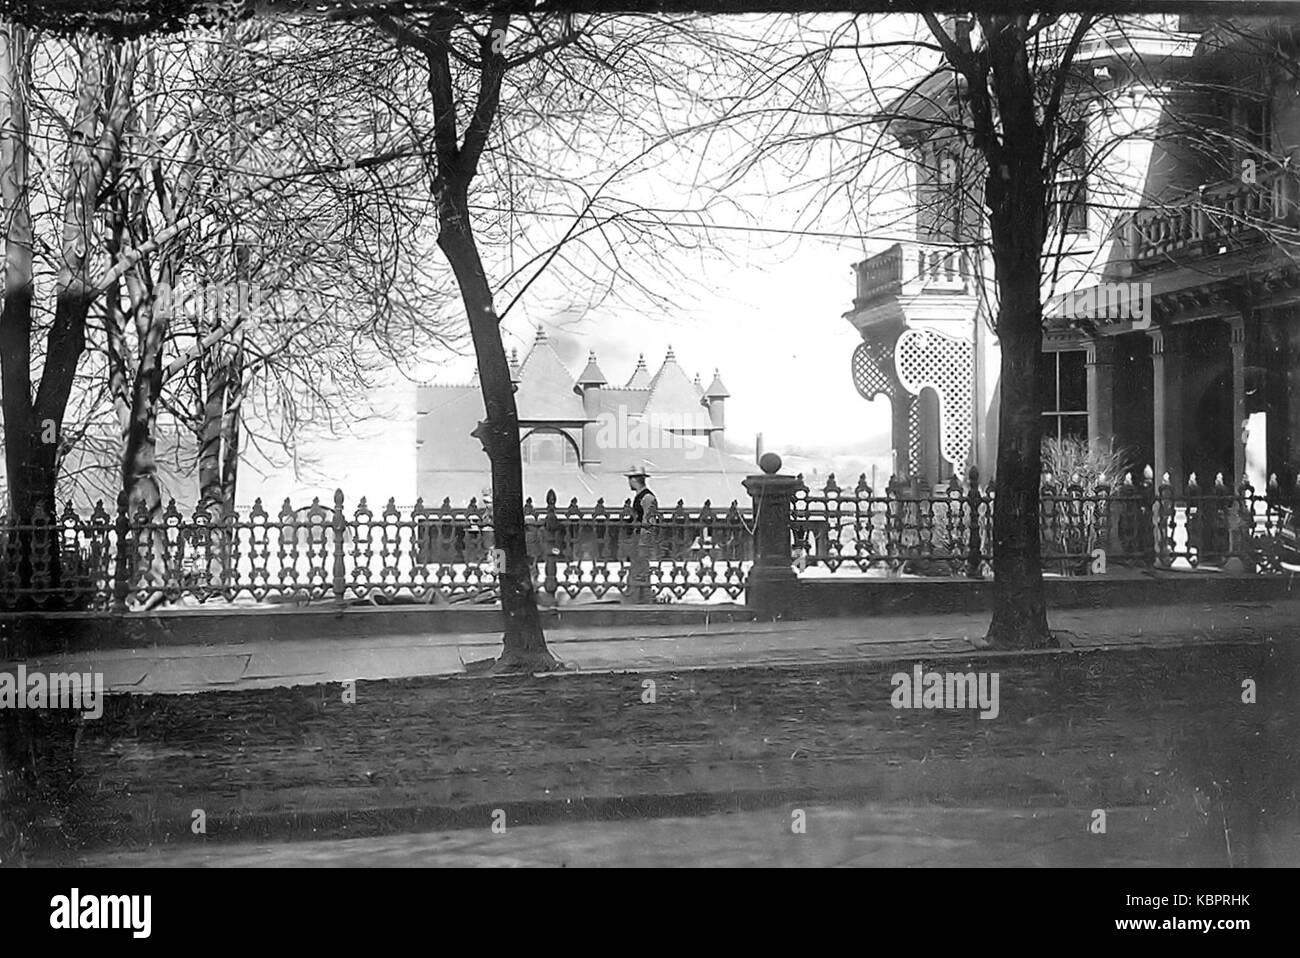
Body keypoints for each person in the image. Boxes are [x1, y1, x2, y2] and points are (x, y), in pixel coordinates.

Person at [626, 465, 659, 603]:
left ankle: (642, 598)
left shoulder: (647, 498)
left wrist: (644, 542)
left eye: (630, 479)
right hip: (637, 537)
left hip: (641, 539)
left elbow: (649, 521)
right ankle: (637, 597)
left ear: (635, 480)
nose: (629, 482)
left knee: (641, 568)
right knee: (637, 568)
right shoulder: (640, 497)